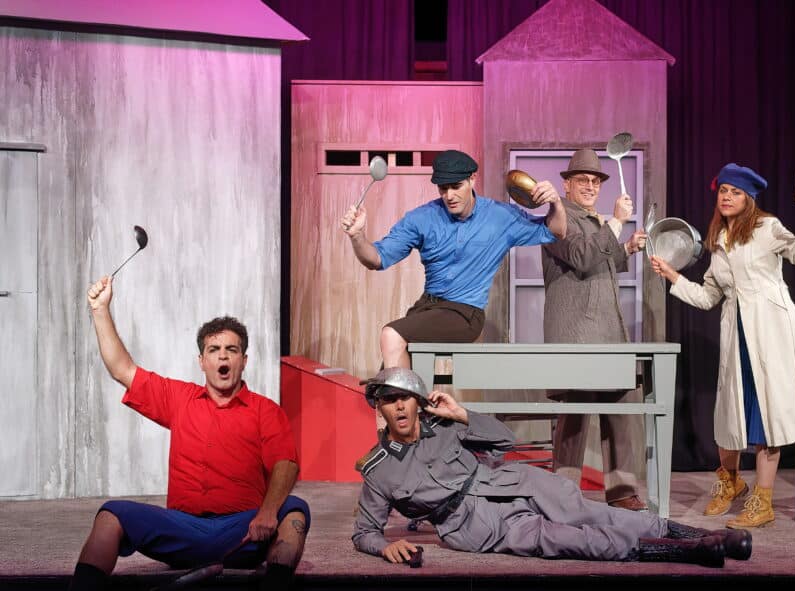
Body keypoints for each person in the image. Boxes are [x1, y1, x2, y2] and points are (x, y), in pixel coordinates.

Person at [351, 367, 753, 567]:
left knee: (594, 513)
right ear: (379, 407)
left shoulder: (444, 424)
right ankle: (690, 552)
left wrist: (462, 415)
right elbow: (364, 532)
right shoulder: (379, 469)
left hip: (513, 482)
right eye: (389, 400)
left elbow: (505, 441)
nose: (399, 406)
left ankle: (705, 536)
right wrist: (385, 546)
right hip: (476, 525)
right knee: (571, 540)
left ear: (418, 402)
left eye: (405, 398)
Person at [69, 276, 310, 591]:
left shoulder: (265, 410)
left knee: (295, 509)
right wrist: (100, 310)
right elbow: (122, 369)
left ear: (244, 360)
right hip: (182, 530)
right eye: (214, 350)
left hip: (243, 530)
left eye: (231, 350)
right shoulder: (179, 399)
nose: (223, 356)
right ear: (202, 361)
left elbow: (286, 463)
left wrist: (266, 513)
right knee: (111, 514)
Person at [649, 163, 795, 529]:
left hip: (771, 330)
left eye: (735, 192)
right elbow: (707, 297)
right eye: (723, 191)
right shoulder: (718, 239)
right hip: (737, 335)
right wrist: (673, 275)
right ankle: (731, 482)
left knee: (767, 415)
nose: (727, 197)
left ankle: (763, 501)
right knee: (729, 414)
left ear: (749, 199)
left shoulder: (767, 227)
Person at [340, 149, 567, 370]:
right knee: (391, 374)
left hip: (465, 313)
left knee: (391, 334)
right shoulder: (422, 218)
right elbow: (377, 259)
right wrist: (357, 236)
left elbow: (556, 231)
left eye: (456, 186)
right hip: (427, 308)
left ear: (472, 179)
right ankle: (408, 396)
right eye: (443, 188)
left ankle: (402, 393)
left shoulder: (501, 216)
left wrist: (555, 203)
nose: (449, 196)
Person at [541, 148, 649, 511]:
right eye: (582, 180)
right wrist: (616, 222)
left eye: (595, 181)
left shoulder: (592, 219)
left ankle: (622, 490)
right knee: (574, 414)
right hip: (576, 332)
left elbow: (603, 258)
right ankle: (563, 492)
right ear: (567, 185)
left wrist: (627, 248)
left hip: (607, 329)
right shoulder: (558, 216)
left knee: (620, 407)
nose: (590, 186)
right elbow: (583, 257)